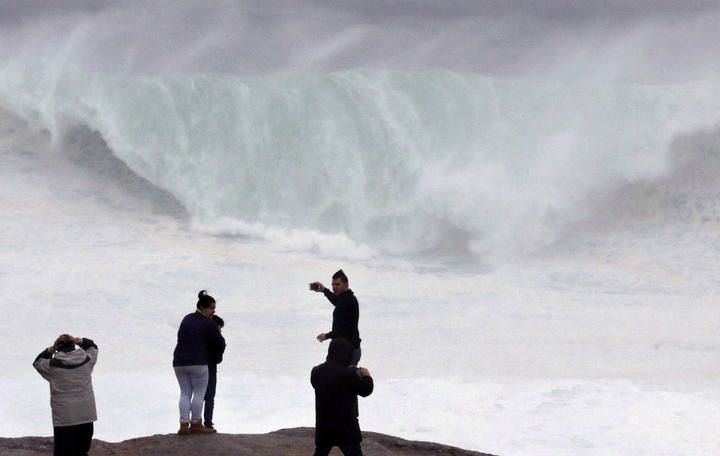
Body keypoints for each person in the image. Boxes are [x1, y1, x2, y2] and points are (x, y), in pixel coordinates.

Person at [33, 334, 99, 456]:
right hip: (86, 416)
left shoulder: (52, 365)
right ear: (73, 345)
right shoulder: (87, 360)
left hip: (64, 419)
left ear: (59, 347)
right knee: (81, 452)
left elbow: (37, 362)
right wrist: (78, 340)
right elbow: (92, 347)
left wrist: (51, 349)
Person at [173, 290, 226, 435]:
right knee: (199, 392)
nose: (213, 312)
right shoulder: (208, 323)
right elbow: (220, 343)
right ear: (203, 308)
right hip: (198, 362)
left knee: (184, 392)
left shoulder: (186, 318)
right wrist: (218, 355)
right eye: (212, 308)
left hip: (178, 362)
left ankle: (184, 425)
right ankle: (196, 423)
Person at [311, 338, 374, 456]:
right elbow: (366, 390)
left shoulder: (316, 371)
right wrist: (366, 376)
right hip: (346, 428)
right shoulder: (348, 374)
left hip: (324, 426)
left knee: (320, 453)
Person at [310, 269, 362, 366]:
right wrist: (324, 290)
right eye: (333, 285)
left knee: (341, 379)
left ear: (346, 284)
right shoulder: (345, 298)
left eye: (338, 284)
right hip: (345, 348)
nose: (334, 287)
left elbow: (343, 329)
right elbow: (336, 300)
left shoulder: (348, 301)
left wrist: (327, 335)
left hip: (349, 349)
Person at [203, 314, 225, 431]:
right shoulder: (218, 338)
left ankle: (195, 421)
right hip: (210, 367)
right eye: (220, 328)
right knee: (210, 395)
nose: (220, 330)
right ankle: (208, 422)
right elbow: (218, 358)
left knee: (198, 394)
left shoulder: (201, 335)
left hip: (198, 364)